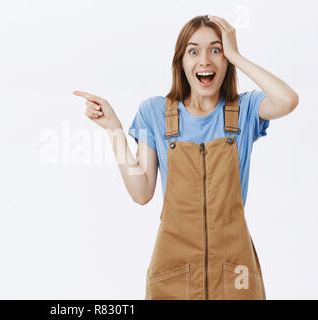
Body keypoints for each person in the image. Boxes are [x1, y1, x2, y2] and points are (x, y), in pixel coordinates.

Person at [73, 15, 298, 300]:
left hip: (235, 274)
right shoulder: (154, 113)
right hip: (174, 272)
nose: (205, 60)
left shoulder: (244, 109)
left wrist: (237, 55)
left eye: (216, 50)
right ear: (181, 62)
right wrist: (113, 129)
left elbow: (288, 100)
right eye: (193, 51)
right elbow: (141, 193)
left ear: (226, 59)